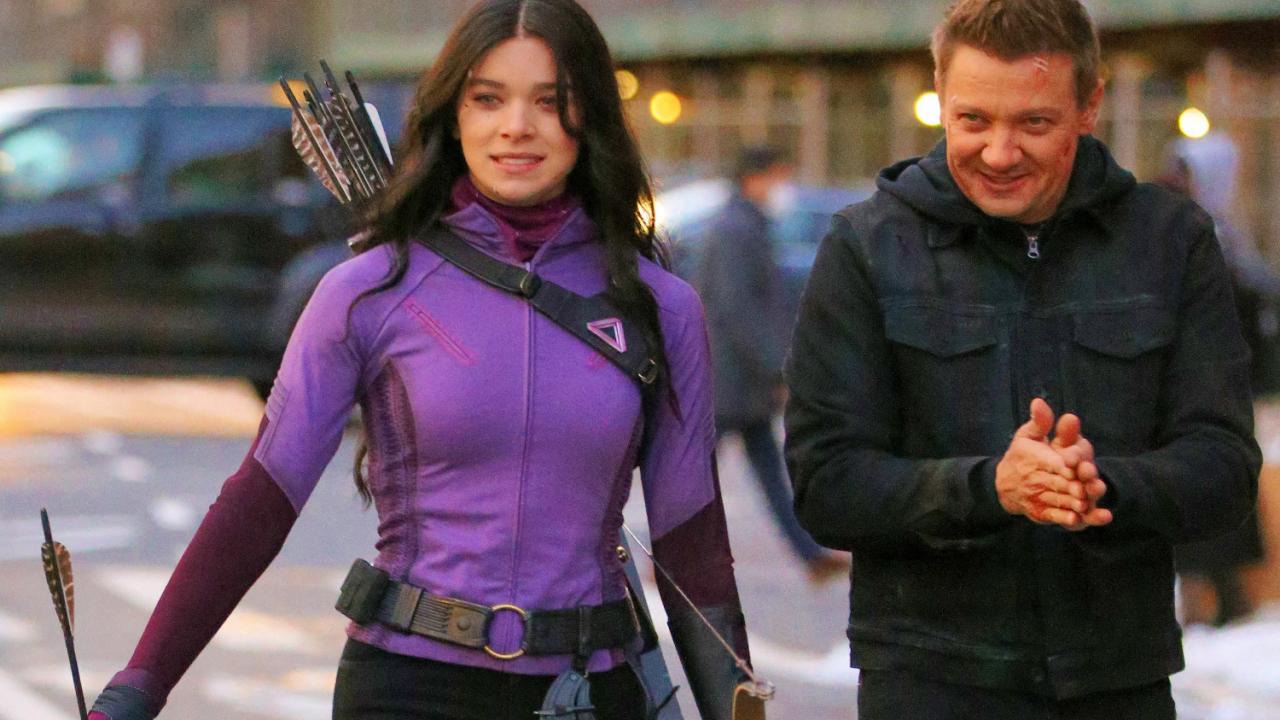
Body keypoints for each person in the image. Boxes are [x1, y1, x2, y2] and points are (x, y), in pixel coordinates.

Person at [87, 1, 752, 719]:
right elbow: (260, 500)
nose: (516, 126)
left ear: (589, 116)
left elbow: (694, 547)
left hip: (592, 692)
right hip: (405, 688)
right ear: (453, 116)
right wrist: (136, 689)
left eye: (549, 101)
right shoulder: (367, 290)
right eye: (488, 99)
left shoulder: (661, 307)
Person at [783, 1, 1260, 718]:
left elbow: (1224, 467)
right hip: (929, 684)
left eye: (1034, 123)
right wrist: (990, 489)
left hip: (1117, 682)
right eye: (973, 120)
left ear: (1089, 105)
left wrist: (1101, 487)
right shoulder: (867, 247)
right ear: (940, 98)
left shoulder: (1171, 241)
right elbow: (826, 485)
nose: (1000, 153)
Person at [694, 146, 846, 583]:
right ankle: (673, 554)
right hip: (729, 379)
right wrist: (777, 367)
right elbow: (739, 309)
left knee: (764, 471)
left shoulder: (746, 225)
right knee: (698, 476)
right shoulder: (736, 230)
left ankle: (810, 555)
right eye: (779, 177)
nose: (784, 188)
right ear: (754, 178)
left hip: (740, 380)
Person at [1157, 136, 1273, 626]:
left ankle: (1225, 601)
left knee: (1220, 490)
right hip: (1181, 389)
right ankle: (1200, 601)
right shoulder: (1175, 236)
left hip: (1222, 389)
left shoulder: (1223, 242)